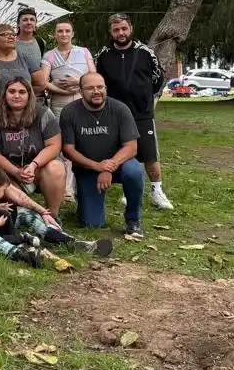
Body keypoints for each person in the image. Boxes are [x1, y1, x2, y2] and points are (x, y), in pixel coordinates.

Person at [0, 119, 112, 264]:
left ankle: (72, 242)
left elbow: (12, 191)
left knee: (23, 213)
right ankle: (19, 253)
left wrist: (42, 211)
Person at [94, 13, 173, 211]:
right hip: (113, 114)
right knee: (121, 153)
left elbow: (158, 79)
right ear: (111, 32)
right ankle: (129, 190)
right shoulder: (103, 55)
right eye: (116, 30)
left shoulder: (146, 53)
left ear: (130, 29)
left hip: (142, 114)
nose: (120, 33)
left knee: (150, 155)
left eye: (124, 29)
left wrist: (144, 98)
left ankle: (157, 191)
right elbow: (97, 81)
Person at [60, 72, 147, 238]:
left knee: (134, 172)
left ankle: (133, 220)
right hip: (87, 168)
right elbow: (68, 150)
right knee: (92, 224)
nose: (96, 91)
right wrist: (96, 166)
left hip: (119, 165)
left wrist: (108, 167)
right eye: (90, 88)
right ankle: (84, 197)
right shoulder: (69, 112)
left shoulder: (120, 109)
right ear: (80, 91)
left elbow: (131, 147)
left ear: (105, 88)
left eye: (100, 87)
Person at [0, 77, 65, 215]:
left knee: (56, 168)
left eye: (22, 92)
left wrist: (33, 165)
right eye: (12, 91)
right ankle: (24, 216)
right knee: (8, 200)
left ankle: (53, 216)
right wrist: (16, 171)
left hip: (38, 168)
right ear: (5, 94)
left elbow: (54, 145)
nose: (16, 95)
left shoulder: (44, 113)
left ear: (29, 95)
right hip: (9, 172)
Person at [41, 21, 96, 199]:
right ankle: (65, 189)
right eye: (60, 31)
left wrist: (79, 83)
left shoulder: (84, 52)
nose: (63, 34)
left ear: (72, 33)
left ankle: (84, 182)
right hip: (59, 102)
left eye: (67, 31)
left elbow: (93, 77)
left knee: (83, 140)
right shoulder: (49, 55)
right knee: (62, 143)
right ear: (55, 35)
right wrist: (62, 90)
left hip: (82, 101)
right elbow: (43, 81)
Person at [0, 24, 44, 92]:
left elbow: (41, 84)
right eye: (5, 34)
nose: (11, 37)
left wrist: (25, 94)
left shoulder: (25, 58)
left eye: (13, 35)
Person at [16, 6, 46, 71]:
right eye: (25, 20)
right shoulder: (10, 42)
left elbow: (42, 65)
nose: (29, 22)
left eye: (32, 20)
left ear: (35, 24)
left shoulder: (40, 42)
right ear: (18, 24)